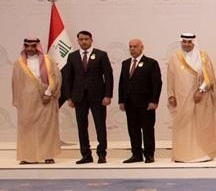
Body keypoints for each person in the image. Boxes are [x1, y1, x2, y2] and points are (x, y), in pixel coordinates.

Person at [60, 30, 114, 164]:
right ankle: (86, 154)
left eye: (86, 39)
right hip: (79, 97)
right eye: (81, 39)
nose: (84, 42)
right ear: (78, 41)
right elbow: (68, 78)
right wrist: (69, 97)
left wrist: (108, 95)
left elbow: (108, 76)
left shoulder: (101, 55)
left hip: (98, 97)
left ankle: (102, 154)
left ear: (91, 40)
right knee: (81, 126)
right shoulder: (72, 56)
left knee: (100, 125)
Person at [165, 33, 216, 163]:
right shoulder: (175, 57)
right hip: (181, 98)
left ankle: (202, 153)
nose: (187, 44)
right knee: (184, 126)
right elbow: (170, 77)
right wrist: (171, 95)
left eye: (189, 42)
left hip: (201, 98)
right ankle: (183, 155)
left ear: (194, 43)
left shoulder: (203, 56)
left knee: (201, 124)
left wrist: (201, 90)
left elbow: (209, 76)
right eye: (184, 42)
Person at [11, 38, 61, 164]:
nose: (30, 49)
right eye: (27, 46)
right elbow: (16, 83)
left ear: (37, 46)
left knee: (47, 127)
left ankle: (48, 155)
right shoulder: (18, 63)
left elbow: (55, 77)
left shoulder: (48, 60)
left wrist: (48, 93)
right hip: (27, 101)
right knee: (27, 127)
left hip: (46, 98)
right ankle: (28, 157)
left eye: (33, 46)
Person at [118, 38, 162, 163]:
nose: (132, 49)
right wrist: (121, 100)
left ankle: (149, 154)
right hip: (130, 103)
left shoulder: (151, 63)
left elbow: (157, 83)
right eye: (130, 46)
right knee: (133, 130)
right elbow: (122, 83)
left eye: (135, 46)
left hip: (146, 103)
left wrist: (154, 101)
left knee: (147, 129)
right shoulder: (125, 63)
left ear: (142, 47)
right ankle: (136, 154)